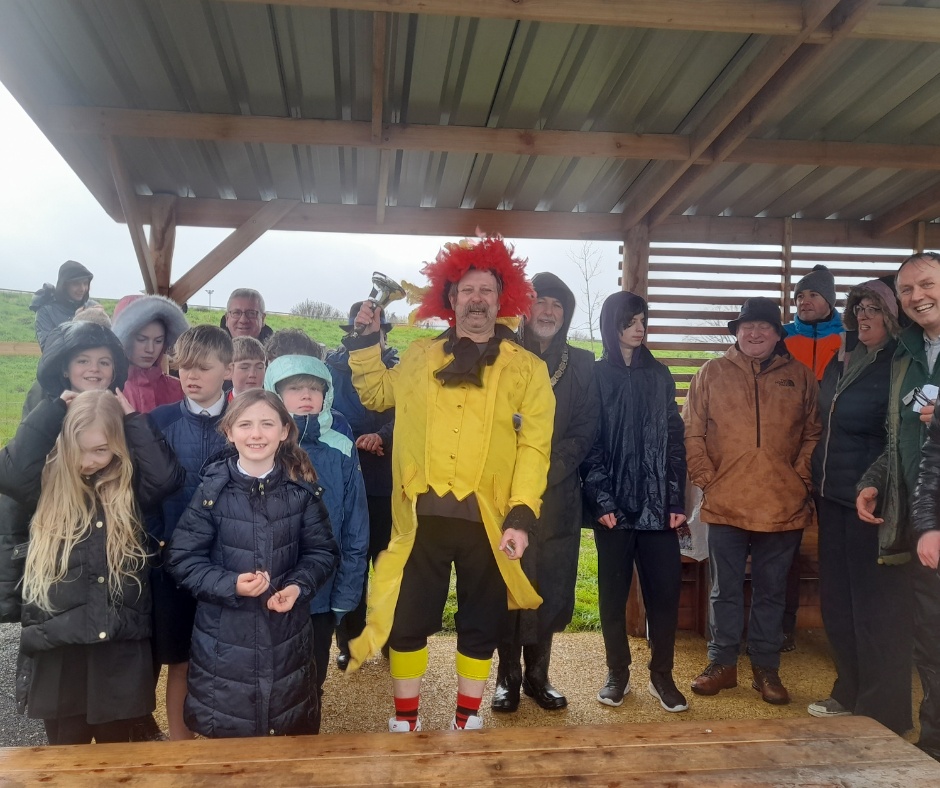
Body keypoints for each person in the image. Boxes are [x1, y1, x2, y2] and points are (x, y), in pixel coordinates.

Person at [343, 235, 555, 732]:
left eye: (486, 290)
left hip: (489, 518)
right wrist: (366, 341)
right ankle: (405, 721)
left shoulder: (529, 369)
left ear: (502, 301)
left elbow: (535, 447)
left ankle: (467, 720)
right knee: (410, 619)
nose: (477, 298)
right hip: (421, 517)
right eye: (467, 289)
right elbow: (375, 393)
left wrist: (522, 515)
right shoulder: (418, 357)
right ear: (451, 299)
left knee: (482, 623)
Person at [6, 389, 183, 744]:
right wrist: (52, 410)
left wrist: (133, 420)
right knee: (65, 754)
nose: (88, 461)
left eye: (101, 449)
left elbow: (165, 478)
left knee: (118, 754)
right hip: (59, 649)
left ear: (117, 445)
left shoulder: (129, 490)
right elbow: (8, 472)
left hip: (118, 649)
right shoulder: (43, 485)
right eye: (80, 449)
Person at [167, 390, 338, 738]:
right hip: (223, 644)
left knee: (287, 744)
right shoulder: (210, 493)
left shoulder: (302, 491)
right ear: (229, 432)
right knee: (229, 754)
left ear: (284, 431)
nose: (256, 434)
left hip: (287, 638)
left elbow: (322, 552)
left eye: (266, 424)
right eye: (245, 424)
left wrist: (297, 587)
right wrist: (229, 584)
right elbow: (183, 557)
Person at [683, 297, 820, 705]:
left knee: (771, 590)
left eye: (763, 326)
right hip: (726, 501)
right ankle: (722, 664)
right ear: (736, 332)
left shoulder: (800, 375)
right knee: (723, 589)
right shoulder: (711, 373)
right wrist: (708, 479)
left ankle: (766, 668)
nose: (754, 333)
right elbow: (692, 431)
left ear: (778, 334)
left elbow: (814, 433)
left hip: (784, 505)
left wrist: (800, 479)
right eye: (747, 327)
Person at [808, 280, 911, 733]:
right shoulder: (844, 357)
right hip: (832, 498)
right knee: (839, 603)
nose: (864, 315)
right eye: (858, 308)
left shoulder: (900, 362)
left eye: (874, 308)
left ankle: (883, 709)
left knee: (877, 608)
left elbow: (899, 436)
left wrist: (873, 484)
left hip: (875, 502)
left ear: (892, 314)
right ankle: (848, 689)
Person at [492, 273, 598, 713]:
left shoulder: (583, 363)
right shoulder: (499, 357)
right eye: (540, 302)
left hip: (557, 496)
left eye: (557, 304)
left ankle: (538, 675)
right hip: (505, 494)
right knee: (507, 583)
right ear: (524, 308)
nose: (548, 311)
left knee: (551, 586)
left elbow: (586, 427)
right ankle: (507, 679)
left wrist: (545, 469)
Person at [581, 291, 688, 712]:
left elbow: (675, 440)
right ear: (613, 325)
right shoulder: (594, 375)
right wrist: (602, 499)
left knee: (665, 594)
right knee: (611, 595)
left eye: (642, 320)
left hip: (660, 508)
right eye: (630, 321)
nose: (639, 328)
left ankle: (663, 676)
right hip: (613, 513)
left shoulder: (659, 375)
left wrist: (676, 497)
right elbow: (588, 443)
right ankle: (617, 673)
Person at [0, 321, 128, 624]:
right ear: (65, 368)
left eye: (103, 362)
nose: (93, 370)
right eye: (82, 360)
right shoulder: (44, 406)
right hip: (55, 539)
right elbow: (15, 474)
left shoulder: (118, 410)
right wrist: (53, 411)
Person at [865, 251, 940, 761]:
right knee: (930, 641)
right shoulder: (909, 352)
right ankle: (933, 743)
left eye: (927, 284)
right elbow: (901, 432)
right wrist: (876, 479)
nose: (917, 296)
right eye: (907, 289)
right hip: (918, 517)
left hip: (934, 520)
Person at [264, 355, 368, 714]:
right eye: (294, 388)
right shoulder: (260, 443)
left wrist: (348, 592)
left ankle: (308, 743)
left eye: (314, 388)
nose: (306, 395)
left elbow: (356, 523)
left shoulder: (340, 446)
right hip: (269, 589)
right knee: (267, 679)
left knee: (312, 678)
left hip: (322, 593)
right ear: (275, 394)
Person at [148, 324, 233, 740]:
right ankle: (181, 748)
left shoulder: (245, 423)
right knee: (180, 660)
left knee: (228, 660)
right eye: (183, 367)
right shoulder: (158, 422)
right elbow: (142, 493)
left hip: (229, 562)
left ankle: (224, 745)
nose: (191, 376)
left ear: (228, 369)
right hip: (174, 566)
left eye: (202, 367)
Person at [326, 303, 398, 671]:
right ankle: (350, 640)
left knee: (387, 562)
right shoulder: (332, 367)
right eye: (360, 330)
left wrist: (382, 436)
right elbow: (328, 413)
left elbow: (408, 412)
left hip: (388, 479)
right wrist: (355, 438)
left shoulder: (399, 367)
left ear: (384, 332)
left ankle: (389, 637)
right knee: (350, 561)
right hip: (345, 477)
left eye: (375, 330)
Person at [112, 295, 190, 414]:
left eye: (158, 341)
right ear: (124, 337)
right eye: (141, 339)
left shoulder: (179, 389)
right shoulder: (107, 388)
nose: (150, 349)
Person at [784, 264, 844, 381]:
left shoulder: (848, 336)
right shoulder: (781, 335)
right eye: (800, 296)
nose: (804, 301)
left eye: (813, 295)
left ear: (829, 301)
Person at [30, 261, 98, 351]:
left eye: (85, 283)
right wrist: (76, 322)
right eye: (76, 284)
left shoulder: (92, 307)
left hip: (90, 364)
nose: (82, 289)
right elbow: (48, 348)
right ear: (64, 285)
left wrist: (104, 321)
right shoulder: (46, 311)